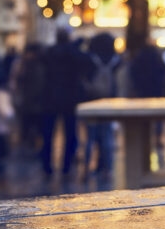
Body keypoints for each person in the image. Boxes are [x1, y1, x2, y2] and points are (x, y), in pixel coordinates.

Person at [40, 27, 92, 178]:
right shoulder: (72, 53)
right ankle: (66, 167)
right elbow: (86, 62)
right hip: (69, 98)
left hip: (50, 98)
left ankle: (47, 167)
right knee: (70, 134)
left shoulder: (49, 53)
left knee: (48, 134)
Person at [83, 32, 121, 178]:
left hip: (91, 101)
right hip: (109, 103)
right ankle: (107, 169)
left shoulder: (90, 59)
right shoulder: (116, 60)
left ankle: (86, 168)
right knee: (107, 136)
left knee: (90, 137)